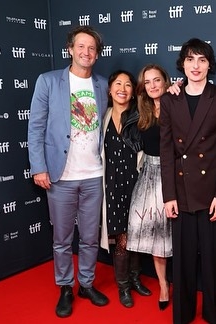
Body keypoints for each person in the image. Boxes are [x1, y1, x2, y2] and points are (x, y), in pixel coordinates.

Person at [28, 26, 109, 318]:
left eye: (92, 48)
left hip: (93, 175)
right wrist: (38, 167)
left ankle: (86, 283)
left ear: (97, 54)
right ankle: (65, 286)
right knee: (62, 239)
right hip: (60, 176)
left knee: (89, 236)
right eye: (81, 46)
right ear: (70, 49)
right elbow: (35, 126)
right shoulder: (49, 82)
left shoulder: (102, 85)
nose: (86, 52)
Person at [160, 38, 216, 324]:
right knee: (182, 260)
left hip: (212, 195)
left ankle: (212, 311)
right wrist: (169, 195)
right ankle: (183, 312)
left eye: (202, 60)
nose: (196, 66)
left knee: (214, 260)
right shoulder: (170, 99)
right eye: (190, 59)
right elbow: (167, 150)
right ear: (182, 63)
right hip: (180, 192)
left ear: (209, 65)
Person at [99, 70, 151, 309]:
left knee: (135, 237)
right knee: (121, 238)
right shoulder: (103, 117)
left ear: (133, 91)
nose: (122, 88)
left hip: (136, 183)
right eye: (117, 84)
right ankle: (124, 287)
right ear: (110, 90)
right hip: (112, 186)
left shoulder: (141, 116)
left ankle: (135, 279)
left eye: (128, 84)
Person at [126, 64, 173, 311]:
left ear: (166, 82)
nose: (153, 85)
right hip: (148, 176)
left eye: (157, 80)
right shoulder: (140, 112)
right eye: (148, 81)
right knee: (155, 236)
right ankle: (164, 285)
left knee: (172, 235)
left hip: (174, 176)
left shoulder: (176, 106)